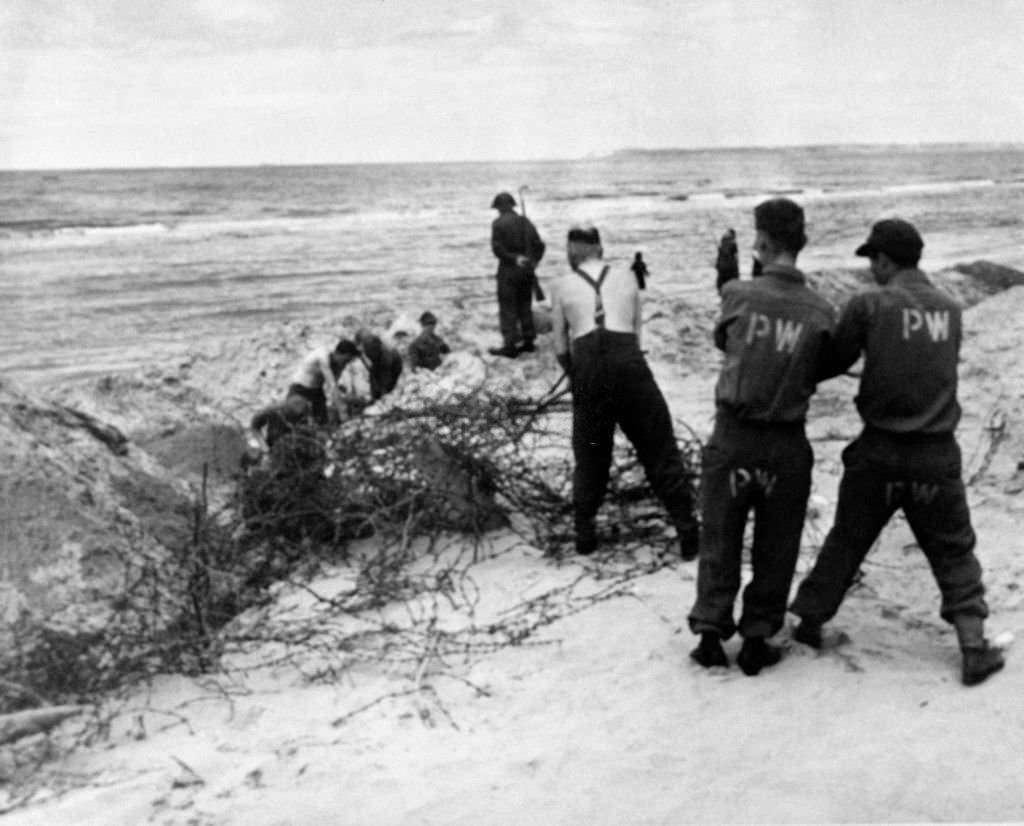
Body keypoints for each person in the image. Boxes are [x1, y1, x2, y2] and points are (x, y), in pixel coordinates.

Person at [789, 219, 1004, 687]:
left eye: (873, 260)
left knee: (847, 539)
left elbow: (833, 361)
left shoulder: (869, 303)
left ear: (885, 260)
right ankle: (973, 645)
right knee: (952, 550)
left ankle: (808, 621)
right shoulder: (950, 309)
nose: (870, 269)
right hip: (935, 452)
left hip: (879, 450)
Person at [688, 198, 836, 676]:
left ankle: (711, 632)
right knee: (776, 545)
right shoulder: (821, 310)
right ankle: (757, 636)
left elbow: (725, 342)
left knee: (720, 535)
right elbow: (818, 366)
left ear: (763, 242)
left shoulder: (737, 295)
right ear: (802, 243)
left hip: (733, 435)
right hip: (786, 441)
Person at [551, 225, 699, 558]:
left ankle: (585, 535)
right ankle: (688, 530)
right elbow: (636, 335)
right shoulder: (628, 278)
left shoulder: (560, 285)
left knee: (590, 454)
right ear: (600, 249)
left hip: (590, 375)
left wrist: (577, 375)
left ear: (572, 252)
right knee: (658, 447)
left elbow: (560, 345)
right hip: (629, 368)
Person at [250, 338, 360, 446]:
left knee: (322, 425)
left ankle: (321, 449)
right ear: (338, 353)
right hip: (300, 390)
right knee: (293, 422)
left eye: (348, 362)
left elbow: (334, 385)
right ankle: (273, 445)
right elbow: (332, 386)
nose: (345, 364)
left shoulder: (338, 363)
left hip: (317, 391)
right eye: (345, 360)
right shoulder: (322, 357)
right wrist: (343, 413)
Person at [489, 191, 546, 358]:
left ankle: (510, 345)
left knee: (508, 308)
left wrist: (515, 258)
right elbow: (540, 245)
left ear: (500, 207)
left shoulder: (498, 223)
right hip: (526, 271)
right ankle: (529, 342)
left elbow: (497, 249)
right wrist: (533, 262)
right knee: (524, 305)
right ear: (512, 205)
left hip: (508, 270)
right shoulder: (525, 221)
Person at [355, 328, 403, 400]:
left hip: (391, 378)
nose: (368, 356)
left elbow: (385, 382)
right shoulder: (374, 349)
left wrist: (381, 393)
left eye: (369, 354)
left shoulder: (388, 358)